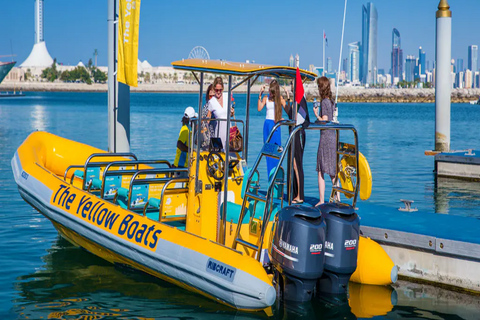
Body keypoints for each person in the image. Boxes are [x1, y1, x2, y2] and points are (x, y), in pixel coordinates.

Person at [314, 77, 338, 206]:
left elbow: (324, 119)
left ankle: (322, 200)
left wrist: (316, 115)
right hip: (332, 135)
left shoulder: (324, 102)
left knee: (321, 169)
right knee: (332, 171)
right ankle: (338, 198)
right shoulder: (332, 101)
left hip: (325, 136)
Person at [258, 80, 286, 177]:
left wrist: (288, 96)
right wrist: (260, 95)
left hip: (275, 125)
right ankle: (270, 176)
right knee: (268, 152)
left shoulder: (280, 99)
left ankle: (278, 176)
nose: (270, 93)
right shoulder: (266, 98)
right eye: (270, 90)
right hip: (267, 125)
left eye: (272, 91)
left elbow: (288, 109)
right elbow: (259, 108)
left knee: (277, 151)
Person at [283, 82, 306, 204]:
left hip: (298, 134)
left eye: (293, 83)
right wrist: (287, 98)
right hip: (294, 133)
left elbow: (300, 117)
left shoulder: (300, 99)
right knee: (293, 164)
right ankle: (295, 192)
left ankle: (300, 195)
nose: (292, 85)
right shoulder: (295, 99)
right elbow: (291, 114)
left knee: (298, 164)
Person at [206, 77, 234, 150]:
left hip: (229, 129)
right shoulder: (211, 101)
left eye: (220, 90)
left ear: (223, 89)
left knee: (231, 153)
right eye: (216, 90)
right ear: (214, 89)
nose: (218, 92)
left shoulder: (227, 96)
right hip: (219, 131)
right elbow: (208, 117)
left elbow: (231, 114)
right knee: (220, 153)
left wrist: (232, 112)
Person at [201, 84, 216, 149]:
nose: (212, 98)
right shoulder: (206, 106)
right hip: (208, 133)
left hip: (216, 132)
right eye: (210, 96)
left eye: (214, 96)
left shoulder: (218, 107)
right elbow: (203, 119)